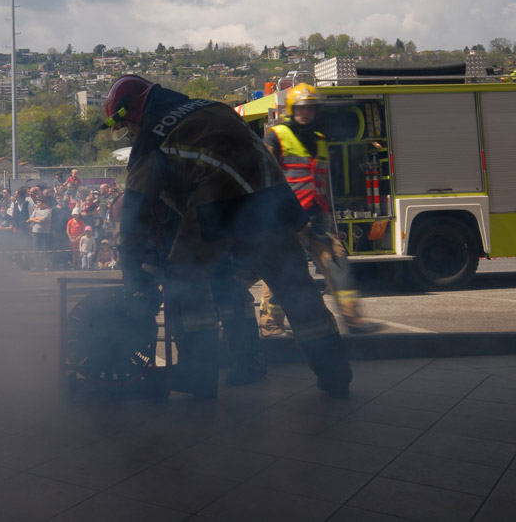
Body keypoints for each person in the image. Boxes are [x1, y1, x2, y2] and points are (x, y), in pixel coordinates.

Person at [102, 74, 352, 399]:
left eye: (127, 127)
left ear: (133, 111)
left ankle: (198, 373)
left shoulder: (153, 138)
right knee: (296, 290)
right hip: (273, 201)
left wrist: (134, 281)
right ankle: (335, 375)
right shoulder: (211, 108)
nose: (131, 134)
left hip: (219, 207)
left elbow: (134, 215)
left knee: (184, 283)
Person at [262, 84, 377, 336]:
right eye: (301, 108)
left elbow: (322, 184)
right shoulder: (275, 136)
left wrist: (326, 217)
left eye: (310, 108)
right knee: (281, 274)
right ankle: (272, 326)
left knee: (338, 263)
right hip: (286, 220)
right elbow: (265, 178)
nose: (306, 112)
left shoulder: (320, 140)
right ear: (292, 109)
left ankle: (353, 319)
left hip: (315, 217)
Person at [27, 195, 53, 272]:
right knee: (36, 250)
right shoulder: (36, 210)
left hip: (44, 233)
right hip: (35, 232)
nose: (38, 204)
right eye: (37, 202)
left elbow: (44, 219)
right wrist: (37, 219)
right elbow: (30, 218)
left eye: (39, 202)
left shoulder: (48, 210)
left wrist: (36, 218)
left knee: (44, 250)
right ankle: (36, 265)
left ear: (43, 203)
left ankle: (45, 266)